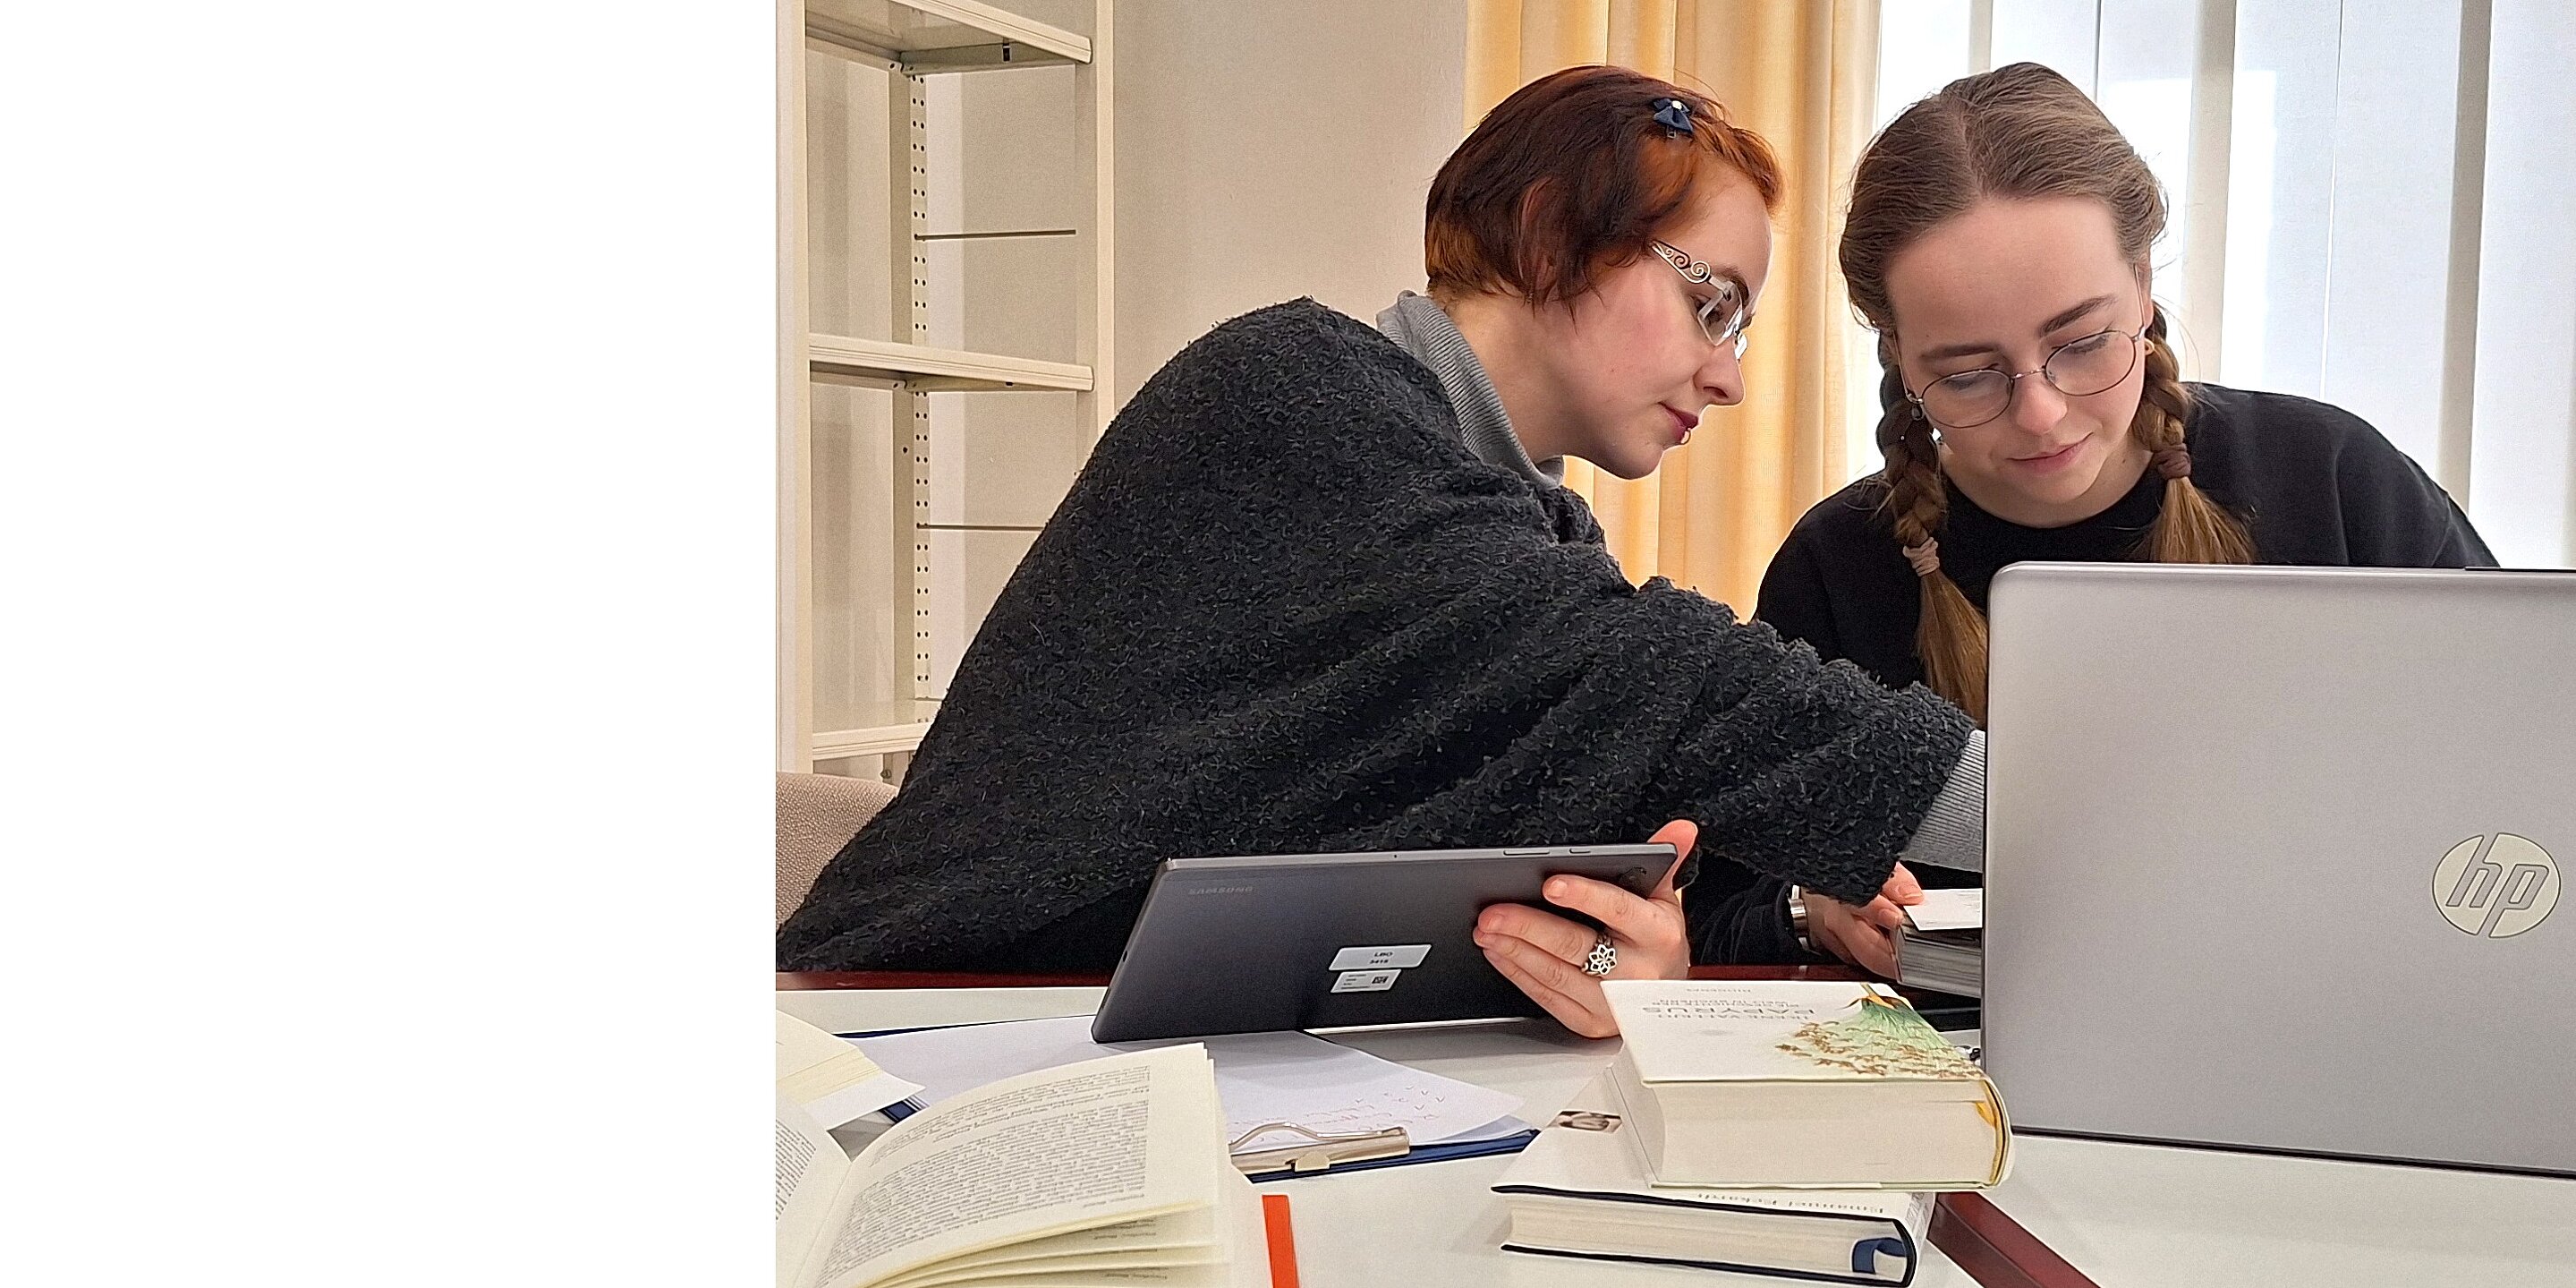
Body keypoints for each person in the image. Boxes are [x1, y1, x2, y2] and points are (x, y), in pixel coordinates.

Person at [778, 66, 1980, 1037]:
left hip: (1165, 1049)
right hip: (897, 1024)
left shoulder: (1527, 533)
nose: (1725, 373)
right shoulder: (1294, 393)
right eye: (1710, 303)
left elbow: (1557, 860)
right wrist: (2061, 817)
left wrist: (1623, 951)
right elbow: (1687, 686)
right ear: (1547, 232)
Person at [1704, 63, 2497, 976]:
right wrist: (1810, 913)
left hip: (2344, 1007)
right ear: (1895, 350)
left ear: (2142, 279)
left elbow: (2513, 763)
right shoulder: (1837, 563)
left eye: (2079, 343)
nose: (2039, 412)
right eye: (1966, 373)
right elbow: (1712, 913)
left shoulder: (2329, 479)